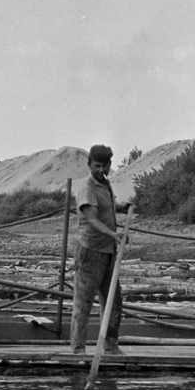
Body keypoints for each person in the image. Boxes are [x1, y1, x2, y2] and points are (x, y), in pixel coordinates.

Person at [69, 144, 127, 355]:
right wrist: (114, 234)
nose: (101, 170)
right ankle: (78, 350)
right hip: (90, 252)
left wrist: (121, 208)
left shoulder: (105, 185)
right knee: (83, 302)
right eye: (97, 166)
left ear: (110, 164)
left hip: (109, 252)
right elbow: (92, 219)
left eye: (105, 166)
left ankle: (110, 346)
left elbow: (104, 208)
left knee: (113, 300)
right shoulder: (87, 189)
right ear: (89, 165)